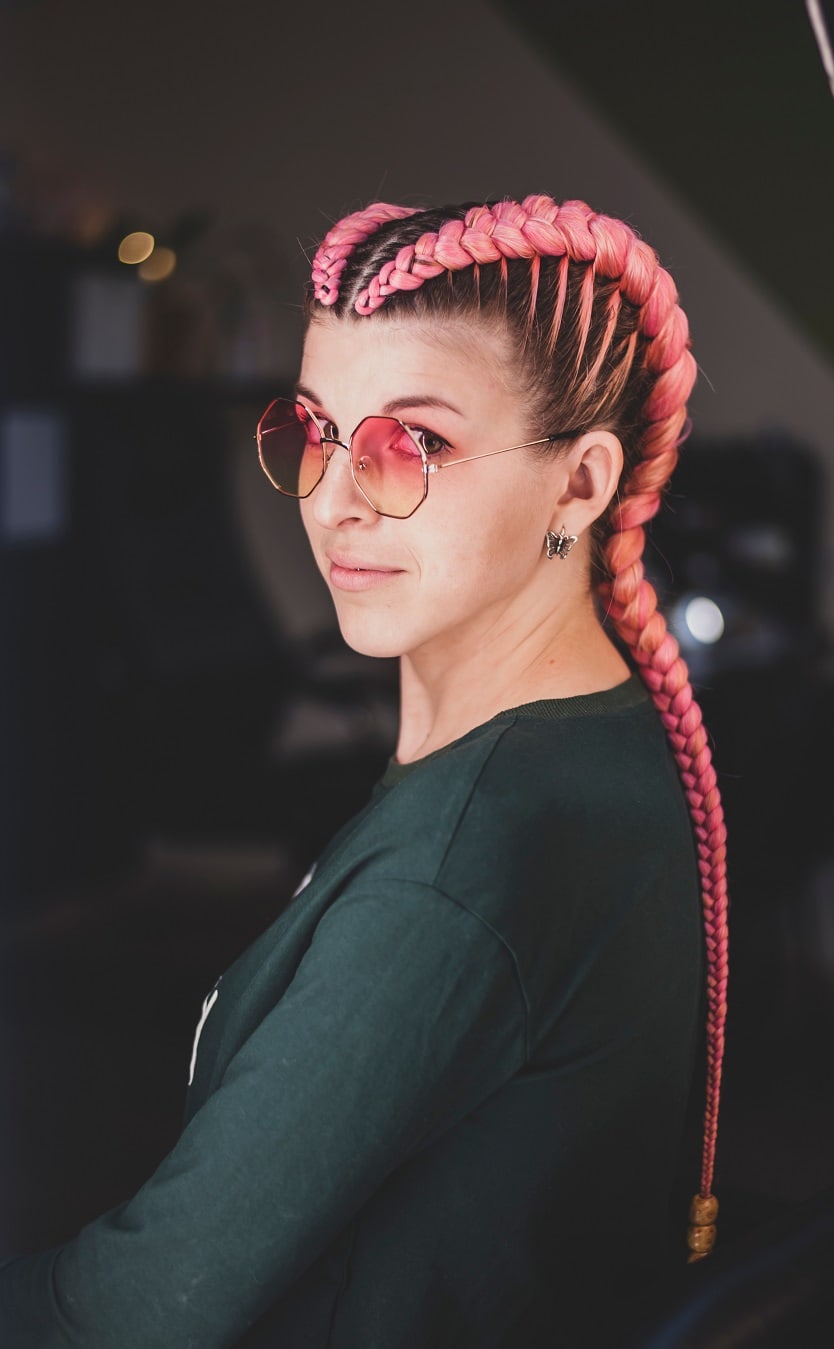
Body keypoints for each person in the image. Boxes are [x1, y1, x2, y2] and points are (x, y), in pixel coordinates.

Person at [0, 195, 728, 1347]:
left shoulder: (462, 868)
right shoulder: (607, 738)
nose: (333, 498)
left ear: (579, 485)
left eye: (416, 441)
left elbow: (137, 1313)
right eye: (315, 430)